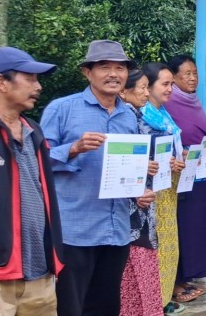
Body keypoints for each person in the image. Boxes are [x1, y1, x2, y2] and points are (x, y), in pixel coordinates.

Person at [41, 40, 152, 315]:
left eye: (120, 68)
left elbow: (127, 166)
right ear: (87, 72)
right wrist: (73, 148)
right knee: (71, 306)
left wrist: (139, 189)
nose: (113, 74)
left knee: (105, 305)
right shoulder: (62, 108)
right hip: (75, 230)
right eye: (104, 67)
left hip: (116, 230)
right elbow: (38, 161)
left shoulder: (129, 115)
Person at [0, 47, 62, 314]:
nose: (38, 87)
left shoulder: (33, 130)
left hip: (39, 271)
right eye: (30, 78)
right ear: (1, 82)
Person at [164, 55, 206, 302]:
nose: (192, 78)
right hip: (179, 178)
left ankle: (187, 278)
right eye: (186, 73)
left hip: (199, 177)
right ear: (174, 77)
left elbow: (200, 138)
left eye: (195, 73)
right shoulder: (168, 104)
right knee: (181, 229)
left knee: (195, 229)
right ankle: (176, 282)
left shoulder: (194, 102)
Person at [137, 63, 187, 313]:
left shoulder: (163, 113)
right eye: (165, 84)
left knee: (169, 245)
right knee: (155, 246)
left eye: (171, 84)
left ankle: (164, 298)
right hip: (150, 193)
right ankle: (154, 301)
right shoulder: (140, 114)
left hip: (168, 187)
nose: (170, 88)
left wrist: (181, 155)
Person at [118, 69, 163, 316]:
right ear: (124, 91)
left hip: (142, 201)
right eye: (142, 87)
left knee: (140, 263)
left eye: (148, 87)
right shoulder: (123, 118)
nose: (147, 92)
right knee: (134, 264)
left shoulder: (138, 116)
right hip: (130, 206)